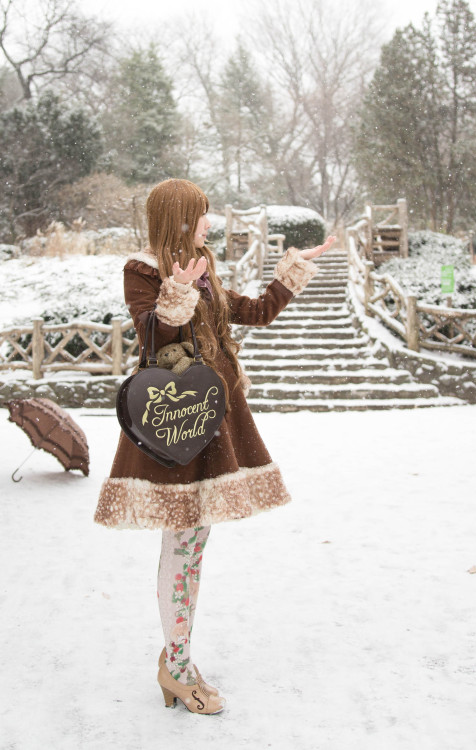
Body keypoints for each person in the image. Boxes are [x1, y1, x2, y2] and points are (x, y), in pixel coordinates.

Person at [94, 178, 334, 715]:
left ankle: (175, 656)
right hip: (175, 420)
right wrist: (176, 291)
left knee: (193, 543)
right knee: (181, 544)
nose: (208, 224)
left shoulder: (203, 263)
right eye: (201, 215)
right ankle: (176, 667)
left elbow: (253, 313)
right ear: (178, 218)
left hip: (213, 416)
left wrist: (292, 272)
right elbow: (153, 337)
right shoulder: (143, 270)